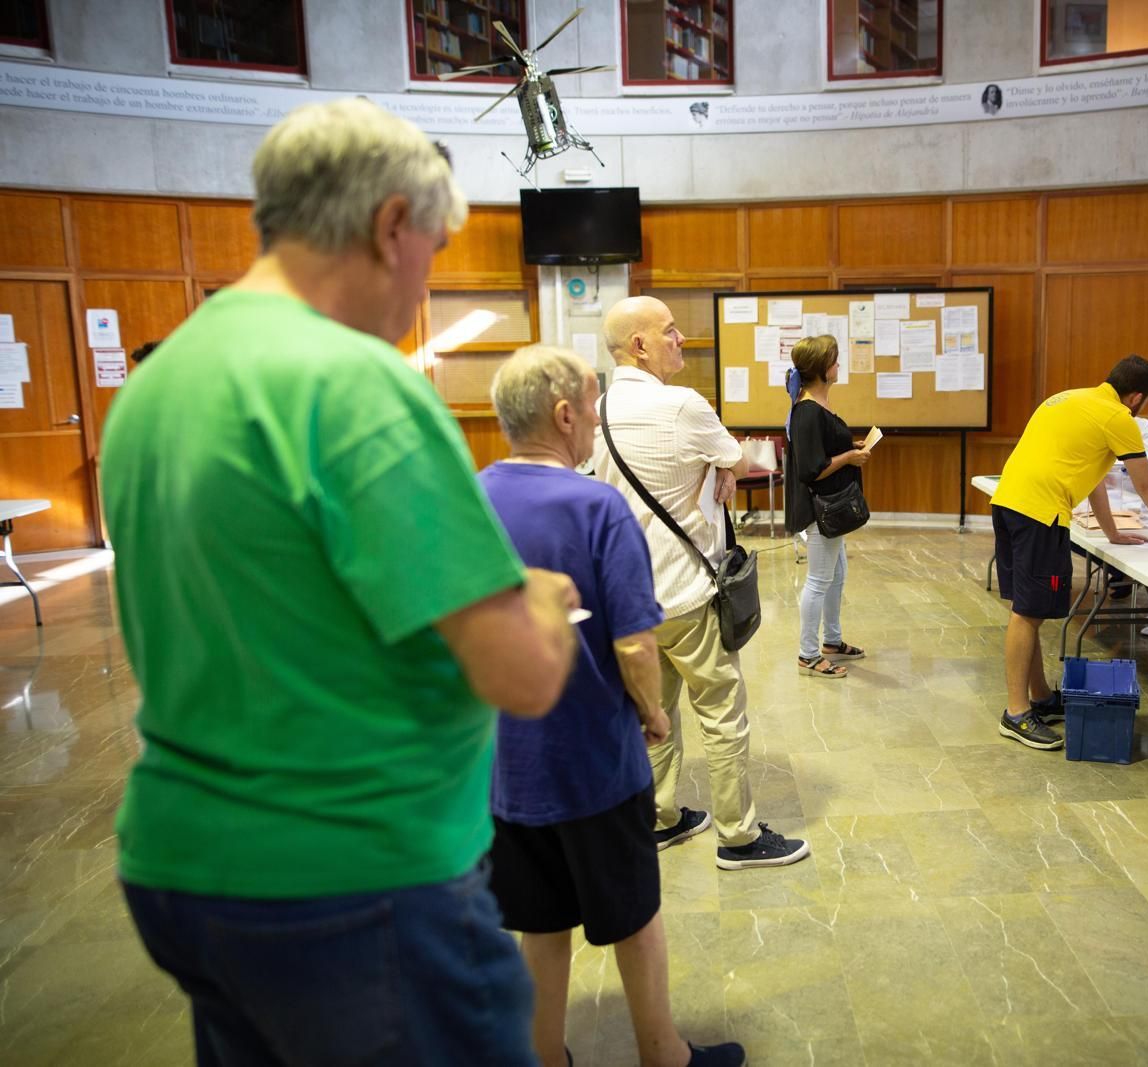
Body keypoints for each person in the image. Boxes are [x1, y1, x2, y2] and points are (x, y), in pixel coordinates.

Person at [98, 99, 578, 1065]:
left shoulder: (159, 382)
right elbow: (520, 677)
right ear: (389, 222)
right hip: (357, 882)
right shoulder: (352, 381)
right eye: (433, 246)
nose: (424, 283)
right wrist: (541, 602)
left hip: (185, 869)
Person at [479, 345, 744, 1067]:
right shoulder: (595, 506)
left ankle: (544, 1054)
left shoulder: (470, 497)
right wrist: (654, 715)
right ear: (564, 415)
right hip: (593, 761)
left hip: (505, 765)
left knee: (540, 921)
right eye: (592, 406)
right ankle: (664, 1053)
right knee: (634, 914)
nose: (596, 421)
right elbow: (634, 644)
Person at [595, 295, 810, 871]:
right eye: (669, 332)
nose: (680, 340)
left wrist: (718, 465)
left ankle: (660, 817)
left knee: (654, 709)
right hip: (687, 591)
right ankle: (738, 837)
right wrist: (722, 466)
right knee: (720, 709)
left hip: (632, 600)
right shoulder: (683, 404)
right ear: (639, 345)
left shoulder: (601, 409)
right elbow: (737, 456)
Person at [989, 354, 1148, 750]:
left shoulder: (1067, 399)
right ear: (1136, 397)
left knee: (1029, 608)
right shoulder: (1118, 418)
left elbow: (1092, 475)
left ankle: (1040, 699)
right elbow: (1146, 484)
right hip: (1040, 512)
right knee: (1027, 613)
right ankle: (1016, 714)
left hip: (1009, 501)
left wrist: (1111, 532)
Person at [785, 334, 869, 679]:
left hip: (833, 509)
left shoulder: (818, 406)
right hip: (821, 510)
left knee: (838, 574)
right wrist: (850, 455)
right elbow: (811, 469)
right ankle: (808, 653)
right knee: (819, 580)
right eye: (834, 361)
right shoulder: (807, 411)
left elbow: (822, 449)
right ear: (822, 369)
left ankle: (832, 641)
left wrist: (850, 446)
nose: (838, 366)